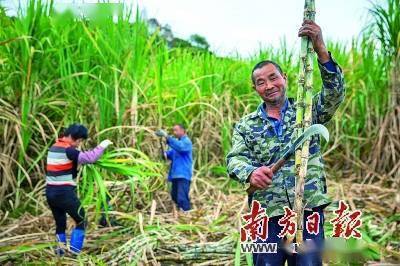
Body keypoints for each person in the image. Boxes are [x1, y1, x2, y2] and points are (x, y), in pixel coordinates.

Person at [226, 20, 345, 266]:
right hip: (268, 213)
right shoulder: (247, 125)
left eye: (273, 77)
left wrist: (320, 48)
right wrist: (250, 173)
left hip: (308, 209)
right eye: (261, 82)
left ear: (285, 78)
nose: (269, 85)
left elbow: (335, 93)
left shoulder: (308, 111)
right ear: (255, 88)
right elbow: (234, 160)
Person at [45, 123, 113, 255]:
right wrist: (103, 145)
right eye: (79, 141)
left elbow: (63, 164)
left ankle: (60, 253)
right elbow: (90, 158)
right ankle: (75, 253)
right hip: (63, 193)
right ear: (73, 137)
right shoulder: (68, 150)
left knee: (60, 223)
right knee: (82, 220)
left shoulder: (54, 147)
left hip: (50, 192)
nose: (79, 144)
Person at [156, 124, 193, 212]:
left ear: (183, 131)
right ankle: (181, 214)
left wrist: (167, 137)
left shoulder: (186, 142)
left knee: (182, 198)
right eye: (173, 130)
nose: (174, 132)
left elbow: (180, 147)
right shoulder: (175, 147)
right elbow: (167, 156)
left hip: (183, 175)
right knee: (175, 196)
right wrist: (161, 146)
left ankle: (187, 214)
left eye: (176, 130)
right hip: (175, 175)